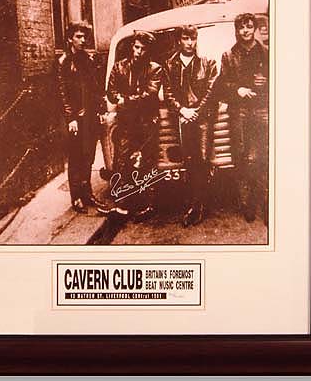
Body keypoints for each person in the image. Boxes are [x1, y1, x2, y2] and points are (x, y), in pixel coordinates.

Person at [163, 25, 218, 226]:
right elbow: (168, 92)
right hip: (183, 117)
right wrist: (182, 110)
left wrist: (196, 111)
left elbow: (212, 91)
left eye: (192, 39)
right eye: (185, 39)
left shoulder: (208, 62)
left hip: (202, 118)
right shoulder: (169, 64)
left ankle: (197, 207)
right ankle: (196, 203)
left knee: (202, 159)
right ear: (179, 40)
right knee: (189, 160)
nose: (189, 43)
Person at [106, 31, 162, 219]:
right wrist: (122, 99)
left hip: (147, 123)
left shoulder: (155, 69)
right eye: (136, 47)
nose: (138, 52)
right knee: (122, 162)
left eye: (143, 49)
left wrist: (125, 99)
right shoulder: (119, 66)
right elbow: (111, 92)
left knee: (147, 162)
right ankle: (123, 204)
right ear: (133, 47)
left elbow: (149, 95)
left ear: (148, 51)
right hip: (126, 123)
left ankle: (149, 205)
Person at [219, 13, 269, 223]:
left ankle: (266, 203)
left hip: (262, 110)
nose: (246, 31)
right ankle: (247, 203)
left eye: (249, 27)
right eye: (242, 27)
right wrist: (237, 89)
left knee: (265, 155)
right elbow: (222, 85)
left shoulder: (267, 52)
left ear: (255, 28)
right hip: (239, 112)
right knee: (241, 156)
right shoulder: (228, 55)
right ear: (237, 30)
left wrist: (266, 82)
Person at [57, 21, 108, 214]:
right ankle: (76, 197)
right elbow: (62, 93)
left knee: (88, 156)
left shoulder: (88, 59)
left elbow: (95, 87)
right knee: (76, 157)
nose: (82, 40)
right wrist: (70, 117)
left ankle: (87, 193)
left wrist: (100, 110)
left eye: (84, 37)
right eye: (78, 36)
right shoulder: (63, 62)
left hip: (90, 116)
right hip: (75, 119)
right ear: (70, 38)